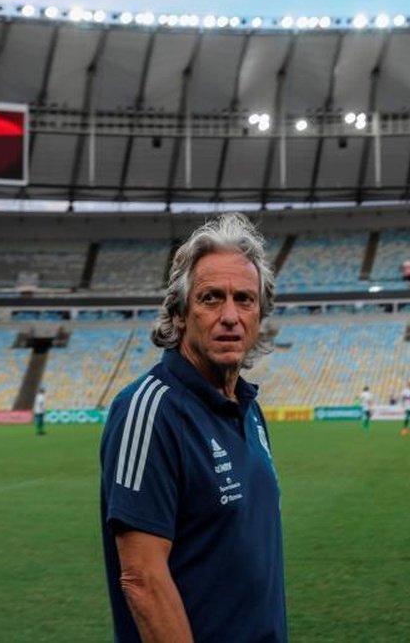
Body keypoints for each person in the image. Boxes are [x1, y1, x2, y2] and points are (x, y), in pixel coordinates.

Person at [99, 213, 287, 643]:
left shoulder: (249, 409)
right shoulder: (149, 411)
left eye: (245, 299)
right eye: (210, 298)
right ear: (180, 313)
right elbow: (142, 580)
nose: (230, 316)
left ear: (260, 314)